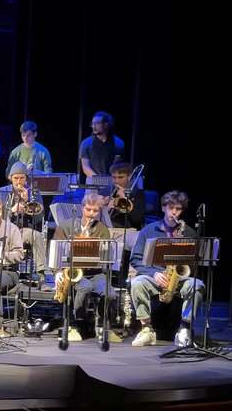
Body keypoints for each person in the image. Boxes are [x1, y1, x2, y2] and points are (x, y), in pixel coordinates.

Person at [129, 191, 204, 348]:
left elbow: (197, 263)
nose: (174, 212)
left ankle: (184, 329)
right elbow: (135, 259)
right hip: (154, 276)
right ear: (163, 208)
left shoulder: (189, 232)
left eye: (178, 209)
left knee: (197, 285)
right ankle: (147, 330)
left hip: (179, 278)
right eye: (171, 208)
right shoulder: (148, 231)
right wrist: (153, 273)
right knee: (137, 283)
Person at [54, 194, 110, 339]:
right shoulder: (66, 226)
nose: (91, 214)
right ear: (82, 208)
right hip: (72, 272)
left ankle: (101, 327)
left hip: (94, 272)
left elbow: (105, 258)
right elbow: (56, 251)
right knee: (85, 287)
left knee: (109, 293)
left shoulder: (103, 230)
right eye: (88, 210)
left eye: (95, 211)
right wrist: (58, 272)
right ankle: (77, 323)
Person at [0, 162, 48, 282]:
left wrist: (28, 201)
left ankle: (41, 273)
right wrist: (12, 210)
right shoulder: (1, 192)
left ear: (26, 178)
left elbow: (39, 218)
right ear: (10, 178)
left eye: (22, 178)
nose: (19, 181)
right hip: (4, 231)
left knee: (36, 235)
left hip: (22, 231)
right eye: (15, 178)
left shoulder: (34, 193)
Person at [79, 111, 125, 180]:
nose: (94, 126)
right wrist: (98, 179)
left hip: (112, 182)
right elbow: (85, 167)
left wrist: (112, 179)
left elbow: (117, 165)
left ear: (106, 125)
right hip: (92, 182)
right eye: (92, 124)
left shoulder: (118, 143)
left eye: (97, 123)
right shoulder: (86, 143)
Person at [106, 161, 145, 230]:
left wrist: (124, 199)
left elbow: (137, 220)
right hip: (109, 228)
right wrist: (106, 209)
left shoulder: (137, 193)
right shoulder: (109, 191)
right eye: (114, 177)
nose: (116, 181)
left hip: (127, 229)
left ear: (129, 177)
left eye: (120, 177)